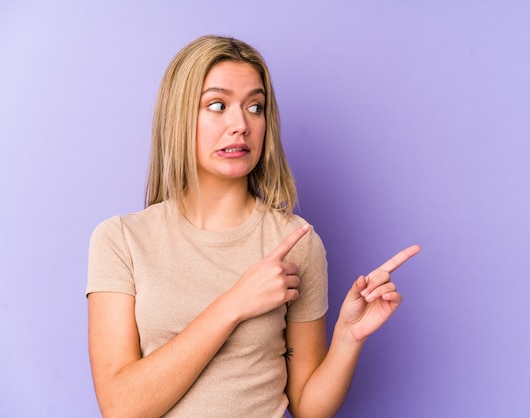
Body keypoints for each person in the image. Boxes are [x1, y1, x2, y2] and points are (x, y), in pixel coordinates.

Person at [87, 35, 419, 418]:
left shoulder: (297, 242)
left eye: (255, 107)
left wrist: (347, 337)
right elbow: (120, 407)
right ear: (178, 118)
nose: (240, 124)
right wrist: (235, 303)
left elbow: (309, 407)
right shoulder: (121, 241)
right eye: (217, 105)